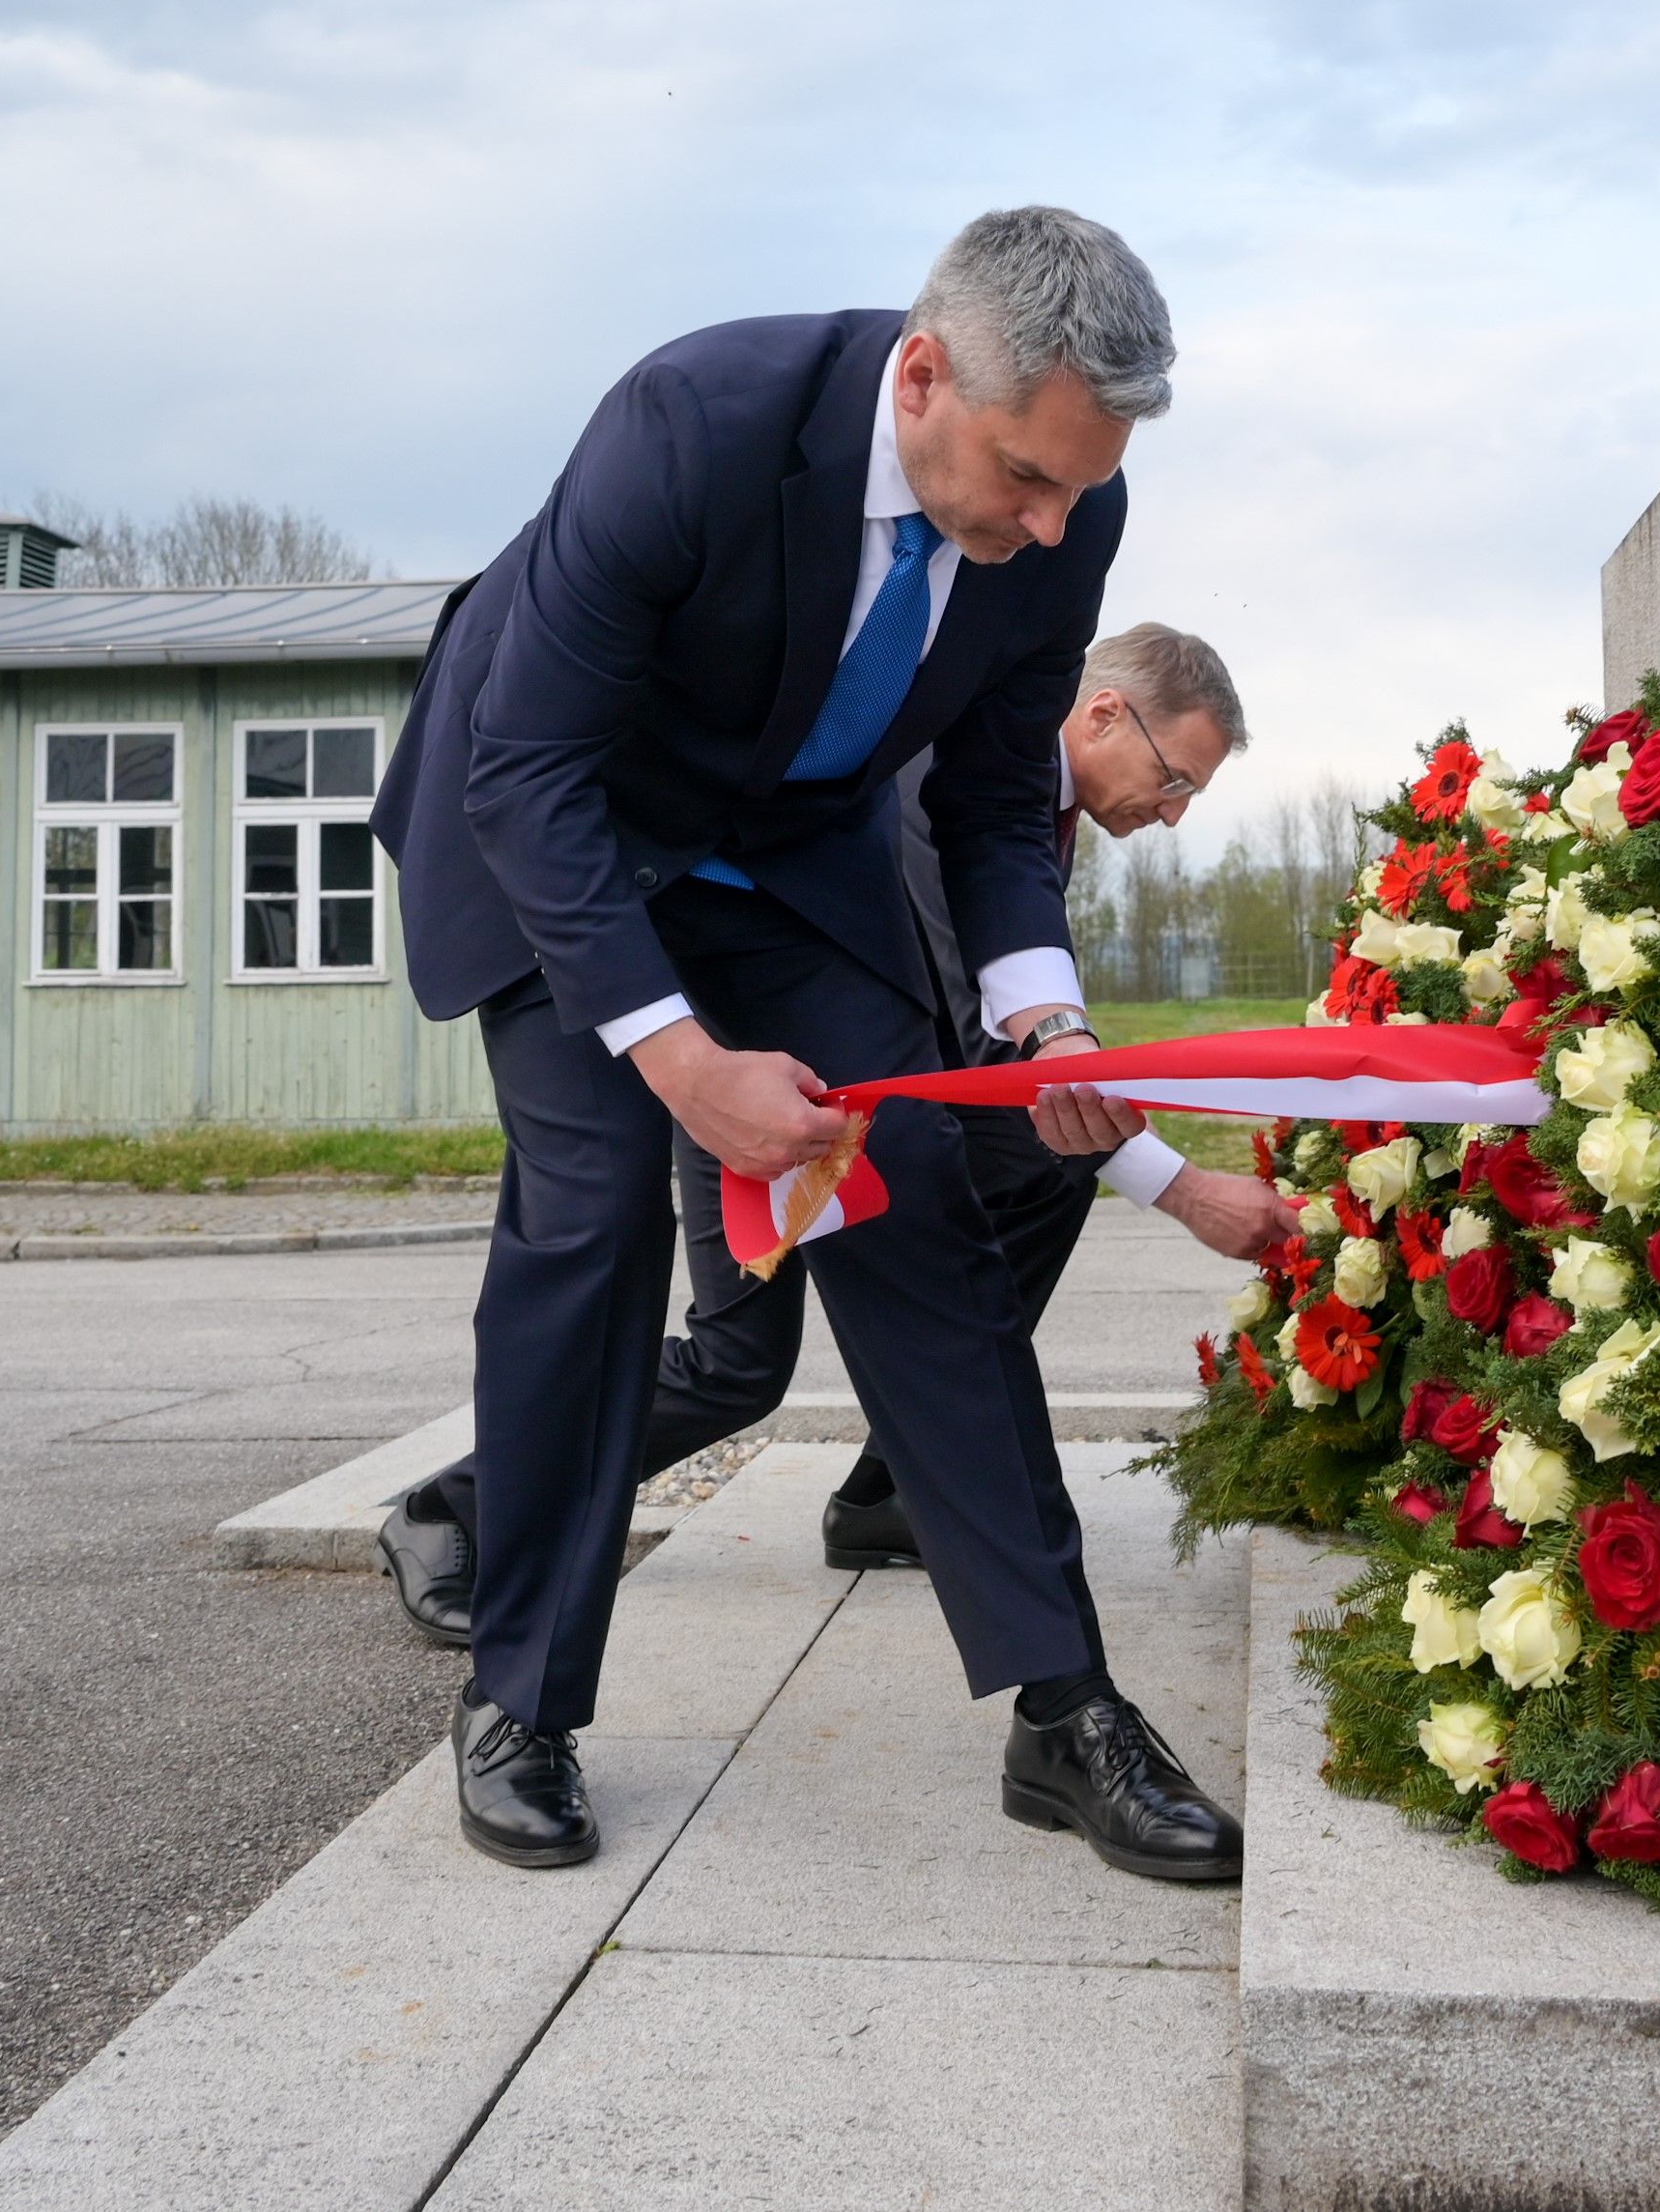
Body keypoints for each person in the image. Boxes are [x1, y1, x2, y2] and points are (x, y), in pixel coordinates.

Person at [371, 207, 1245, 1882]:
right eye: (1023, 476)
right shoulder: (691, 423)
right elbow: (529, 767)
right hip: (553, 821)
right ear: (921, 377)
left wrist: (1047, 1018)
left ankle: (1065, 1711)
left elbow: (993, 798)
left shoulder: (1069, 503)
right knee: (592, 1213)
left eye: (1077, 490)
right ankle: (521, 1698)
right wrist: (684, 1061)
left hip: (778, 851)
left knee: (913, 1193)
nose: (1048, 525)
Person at [375, 623, 1291, 1629]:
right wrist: (1186, 1191)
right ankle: (447, 1509)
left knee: (1042, 1170)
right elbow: (979, 1036)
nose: (1172, 812)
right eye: (1174, 779)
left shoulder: (1034, 806)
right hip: (752, 1076)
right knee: (738, 1364)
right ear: (1104, 713)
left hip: (855, 1085)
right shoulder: (958, 782)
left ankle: (888, 1491)